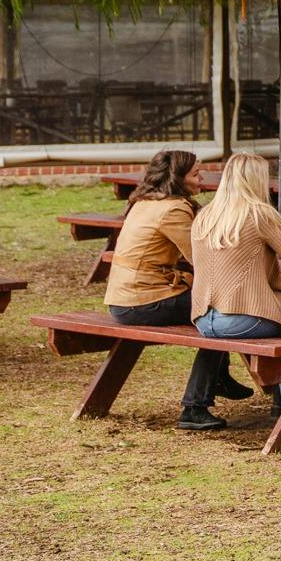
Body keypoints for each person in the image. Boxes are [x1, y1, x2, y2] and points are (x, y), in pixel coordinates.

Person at [105, 149, 254, 431]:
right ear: (178, 178)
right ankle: (194, 407)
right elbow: (204, 257)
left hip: (124, 299)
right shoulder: (173, 209)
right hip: (143, 302)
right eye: (196, 174)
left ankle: (218, 378)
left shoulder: (145, 202)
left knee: (214, 308)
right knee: (217, 316)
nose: (202, 179)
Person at [190, 153, 281, 438]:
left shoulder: (205, 215)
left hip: (204, 319)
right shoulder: (259, 214)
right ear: (257, 180)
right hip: (241, 318)